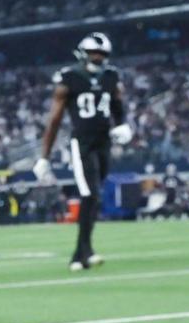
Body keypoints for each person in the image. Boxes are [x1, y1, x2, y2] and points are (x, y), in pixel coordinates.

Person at [33, 32, 130, 270]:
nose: (98, 58)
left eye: (102, 54)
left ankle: (83, 252)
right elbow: (54, 119)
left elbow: (118, 105)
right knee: (90, 195)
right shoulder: (70, 78)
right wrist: (44, 156)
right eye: (94, 53)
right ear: (83, 53)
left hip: (104, 141)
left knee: (94, 196)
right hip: (82, 143)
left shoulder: (111, 76)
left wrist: (122, 125)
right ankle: (81, 254)